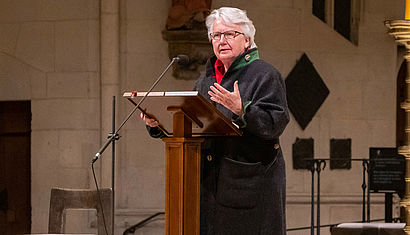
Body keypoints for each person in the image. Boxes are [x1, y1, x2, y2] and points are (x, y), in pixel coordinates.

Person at [142, 7, 289, 235]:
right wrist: (159, 125)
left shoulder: (265, 75)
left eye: (230, 34)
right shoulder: (206, 79)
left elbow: (275, 123)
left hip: (250, 186)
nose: (222, 40)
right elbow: (193, 122)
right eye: (216, 35)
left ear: (247, 40)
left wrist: (242, 109)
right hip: (208, 185)